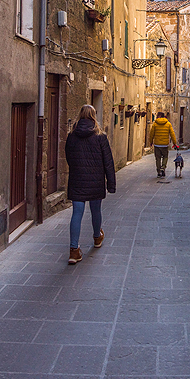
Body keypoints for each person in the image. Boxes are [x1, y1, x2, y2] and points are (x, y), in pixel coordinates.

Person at [64, 105, 116, 265]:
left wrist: (77, 169)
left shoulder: (72, 136)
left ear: (80, 115)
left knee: (77, 213)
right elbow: (108, 162)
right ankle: (97, 237)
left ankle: (74, 250)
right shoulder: (100, 136)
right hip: (95, 181)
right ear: (94, 116)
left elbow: (68, 157)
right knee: (96, 210)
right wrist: (111, 184)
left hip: (77, 180)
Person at [146, 111, 178, 177]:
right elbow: (172, 134)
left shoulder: (155, 124)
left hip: (157, 144)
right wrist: (174, 143)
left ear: (159, 116)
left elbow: (151, 134)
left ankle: (158, 172)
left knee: (158, 158)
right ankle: (163, 167)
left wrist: (151, 142)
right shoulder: (168, 124)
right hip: (165, 145)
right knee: (165, 157)